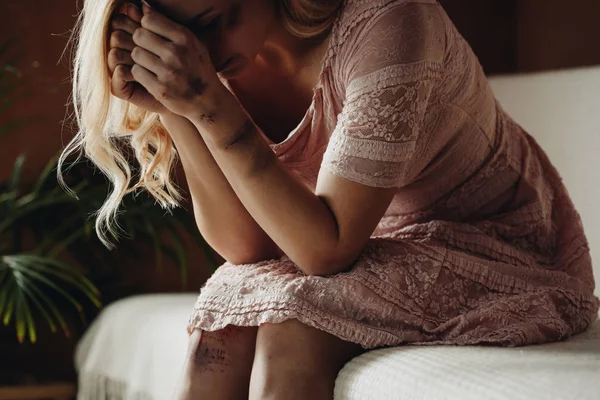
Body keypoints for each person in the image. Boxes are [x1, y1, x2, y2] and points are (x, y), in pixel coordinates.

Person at [60, 0, 600, 398]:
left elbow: (326, 249)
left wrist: (207, 105)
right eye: (177, 34)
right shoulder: (206, 65)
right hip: (372, 249)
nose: (203, 50)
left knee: (292, 328)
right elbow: (246, 246)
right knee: (219, 327)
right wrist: (173, 106)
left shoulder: (392, 23)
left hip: (496, 245)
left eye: (212, 21)